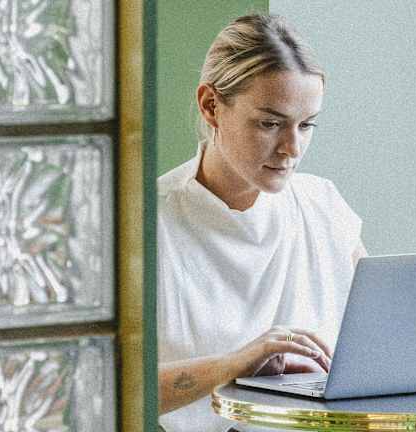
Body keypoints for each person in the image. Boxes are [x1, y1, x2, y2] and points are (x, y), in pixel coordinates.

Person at [157, 14, 368, 431]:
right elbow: (104, 384)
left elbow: (383, 332)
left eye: (306, 125)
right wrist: (235, 365)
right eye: (270, 123)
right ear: (211, 106)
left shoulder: (323, 206)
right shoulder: (149, 224)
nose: (292, 148)